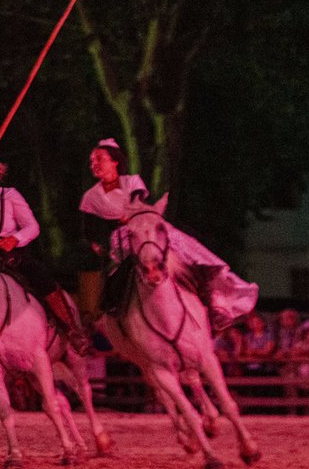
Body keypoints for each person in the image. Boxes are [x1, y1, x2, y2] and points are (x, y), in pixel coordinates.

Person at [81, 138, 257, 332]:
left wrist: (132, 216)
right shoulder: (91, 196)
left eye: (99, 159)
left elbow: (137, 203)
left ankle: (214, 298)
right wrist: (96, 244)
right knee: (127, 264)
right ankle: (113, 308)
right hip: (122, 234)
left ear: (114, 161)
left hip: (144, 224)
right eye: (92, 161)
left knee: (184, 243)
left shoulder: (131, 181)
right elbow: (89, 227)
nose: (95, 164)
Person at [0, 149, 92, 355]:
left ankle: (72, 330)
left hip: (5, 250)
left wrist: (14, 239)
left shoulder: (9, 196)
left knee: (39, 275)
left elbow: (32, 226)